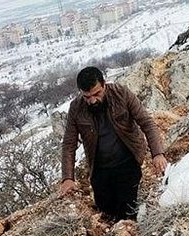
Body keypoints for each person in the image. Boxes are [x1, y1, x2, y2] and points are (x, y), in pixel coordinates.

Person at [58, 66, 167, 221]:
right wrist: (67, 178)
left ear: (104, 85)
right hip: (100, 166)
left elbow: (147, 123)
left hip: (127, 159)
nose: (93, 100)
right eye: (87, 97)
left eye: (97, 94)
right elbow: (69, 144)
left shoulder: (121, 94)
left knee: (127, 209)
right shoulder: (76, 108)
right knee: (105, 209)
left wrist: (157, 154)